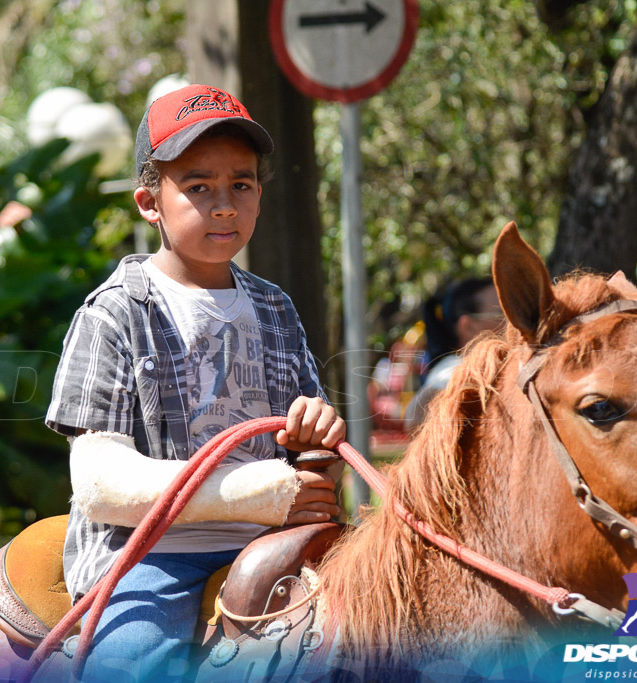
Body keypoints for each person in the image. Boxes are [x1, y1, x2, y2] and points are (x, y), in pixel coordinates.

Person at [45, 84, 345, 682]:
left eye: (242, 184)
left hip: (274, 543)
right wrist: (257, 491)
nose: (225, 205)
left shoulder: (275, 308)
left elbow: (314, 457)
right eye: (199, 186)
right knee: (131, 665)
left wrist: (319, 432)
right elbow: (100, 483)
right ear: (149, 202)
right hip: (154, 557)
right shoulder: (114, 314)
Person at [403, 277, 503, 432]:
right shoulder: (454, 367)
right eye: (501, 314)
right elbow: (414, 417)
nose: (512, 321)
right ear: (468, 326)